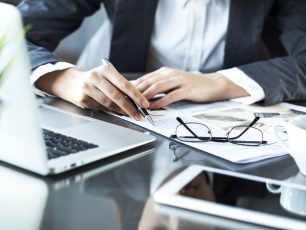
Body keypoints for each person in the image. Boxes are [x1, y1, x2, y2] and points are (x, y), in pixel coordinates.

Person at [18, 1, 306, 121]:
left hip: (228, 135)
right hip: (111, 122)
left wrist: (221, 82)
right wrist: (65, 79)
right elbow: (13, 33)